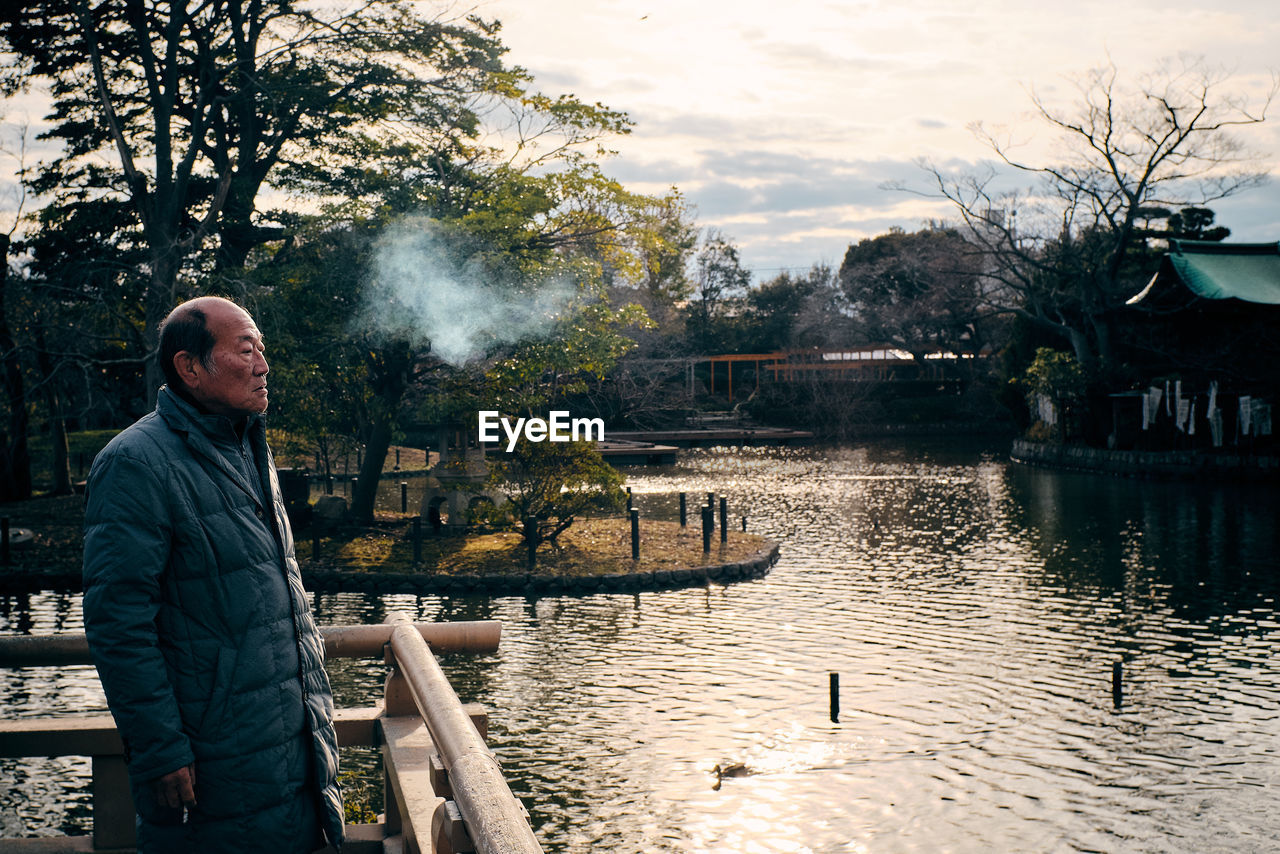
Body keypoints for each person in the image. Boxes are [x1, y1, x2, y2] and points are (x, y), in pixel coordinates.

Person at [82, 296, 344, 853]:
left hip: (287, 751)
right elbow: (118, 626)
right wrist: (160, 750)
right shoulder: (135, 463)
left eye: (262, 351)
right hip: (211, 763)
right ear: (189, 367)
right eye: (246, 350)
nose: (262, 365)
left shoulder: (249, 445)